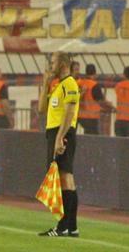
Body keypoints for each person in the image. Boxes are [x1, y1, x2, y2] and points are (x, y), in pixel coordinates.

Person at [39, 52, 82, 238]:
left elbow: (70, 113)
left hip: (63, 133)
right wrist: (45, 84)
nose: (51, 65)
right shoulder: (57, 86)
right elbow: (42, 109)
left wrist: (60, 137)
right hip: (55, 133)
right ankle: (71, 227)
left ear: (63, 63)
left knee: (65, 178)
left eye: (54, 62)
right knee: (65, 179)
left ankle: (63, 225)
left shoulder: (70, 84)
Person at [75, 63, 104, 135]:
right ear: (95, 73)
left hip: (79, 116)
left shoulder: (79, 82)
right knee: (93, 137)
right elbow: (100, 100)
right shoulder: (95, 85)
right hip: (91, 117)